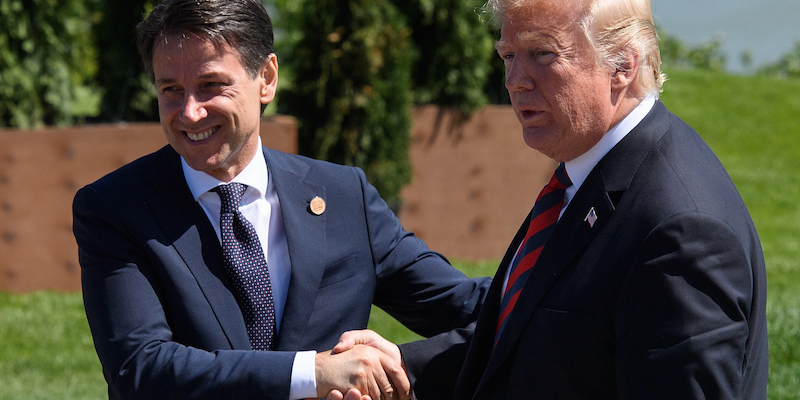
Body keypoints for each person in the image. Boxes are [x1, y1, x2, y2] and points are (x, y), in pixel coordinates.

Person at [335, 0, 769, 399]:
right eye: (508, 55)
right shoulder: (584, 175)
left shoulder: (678, 228)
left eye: (543, 53)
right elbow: (537, 337)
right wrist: (401, 371)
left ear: (621, 64)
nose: (515, 80)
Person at [71, 0, 490, 399]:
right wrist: (313, 373)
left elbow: (471, 309)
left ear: (266, 78)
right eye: (171, 90)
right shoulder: (115, 209)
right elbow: (140, 370)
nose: (189, 112)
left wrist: (396, 368)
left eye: (210, 85)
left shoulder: (344, 197)